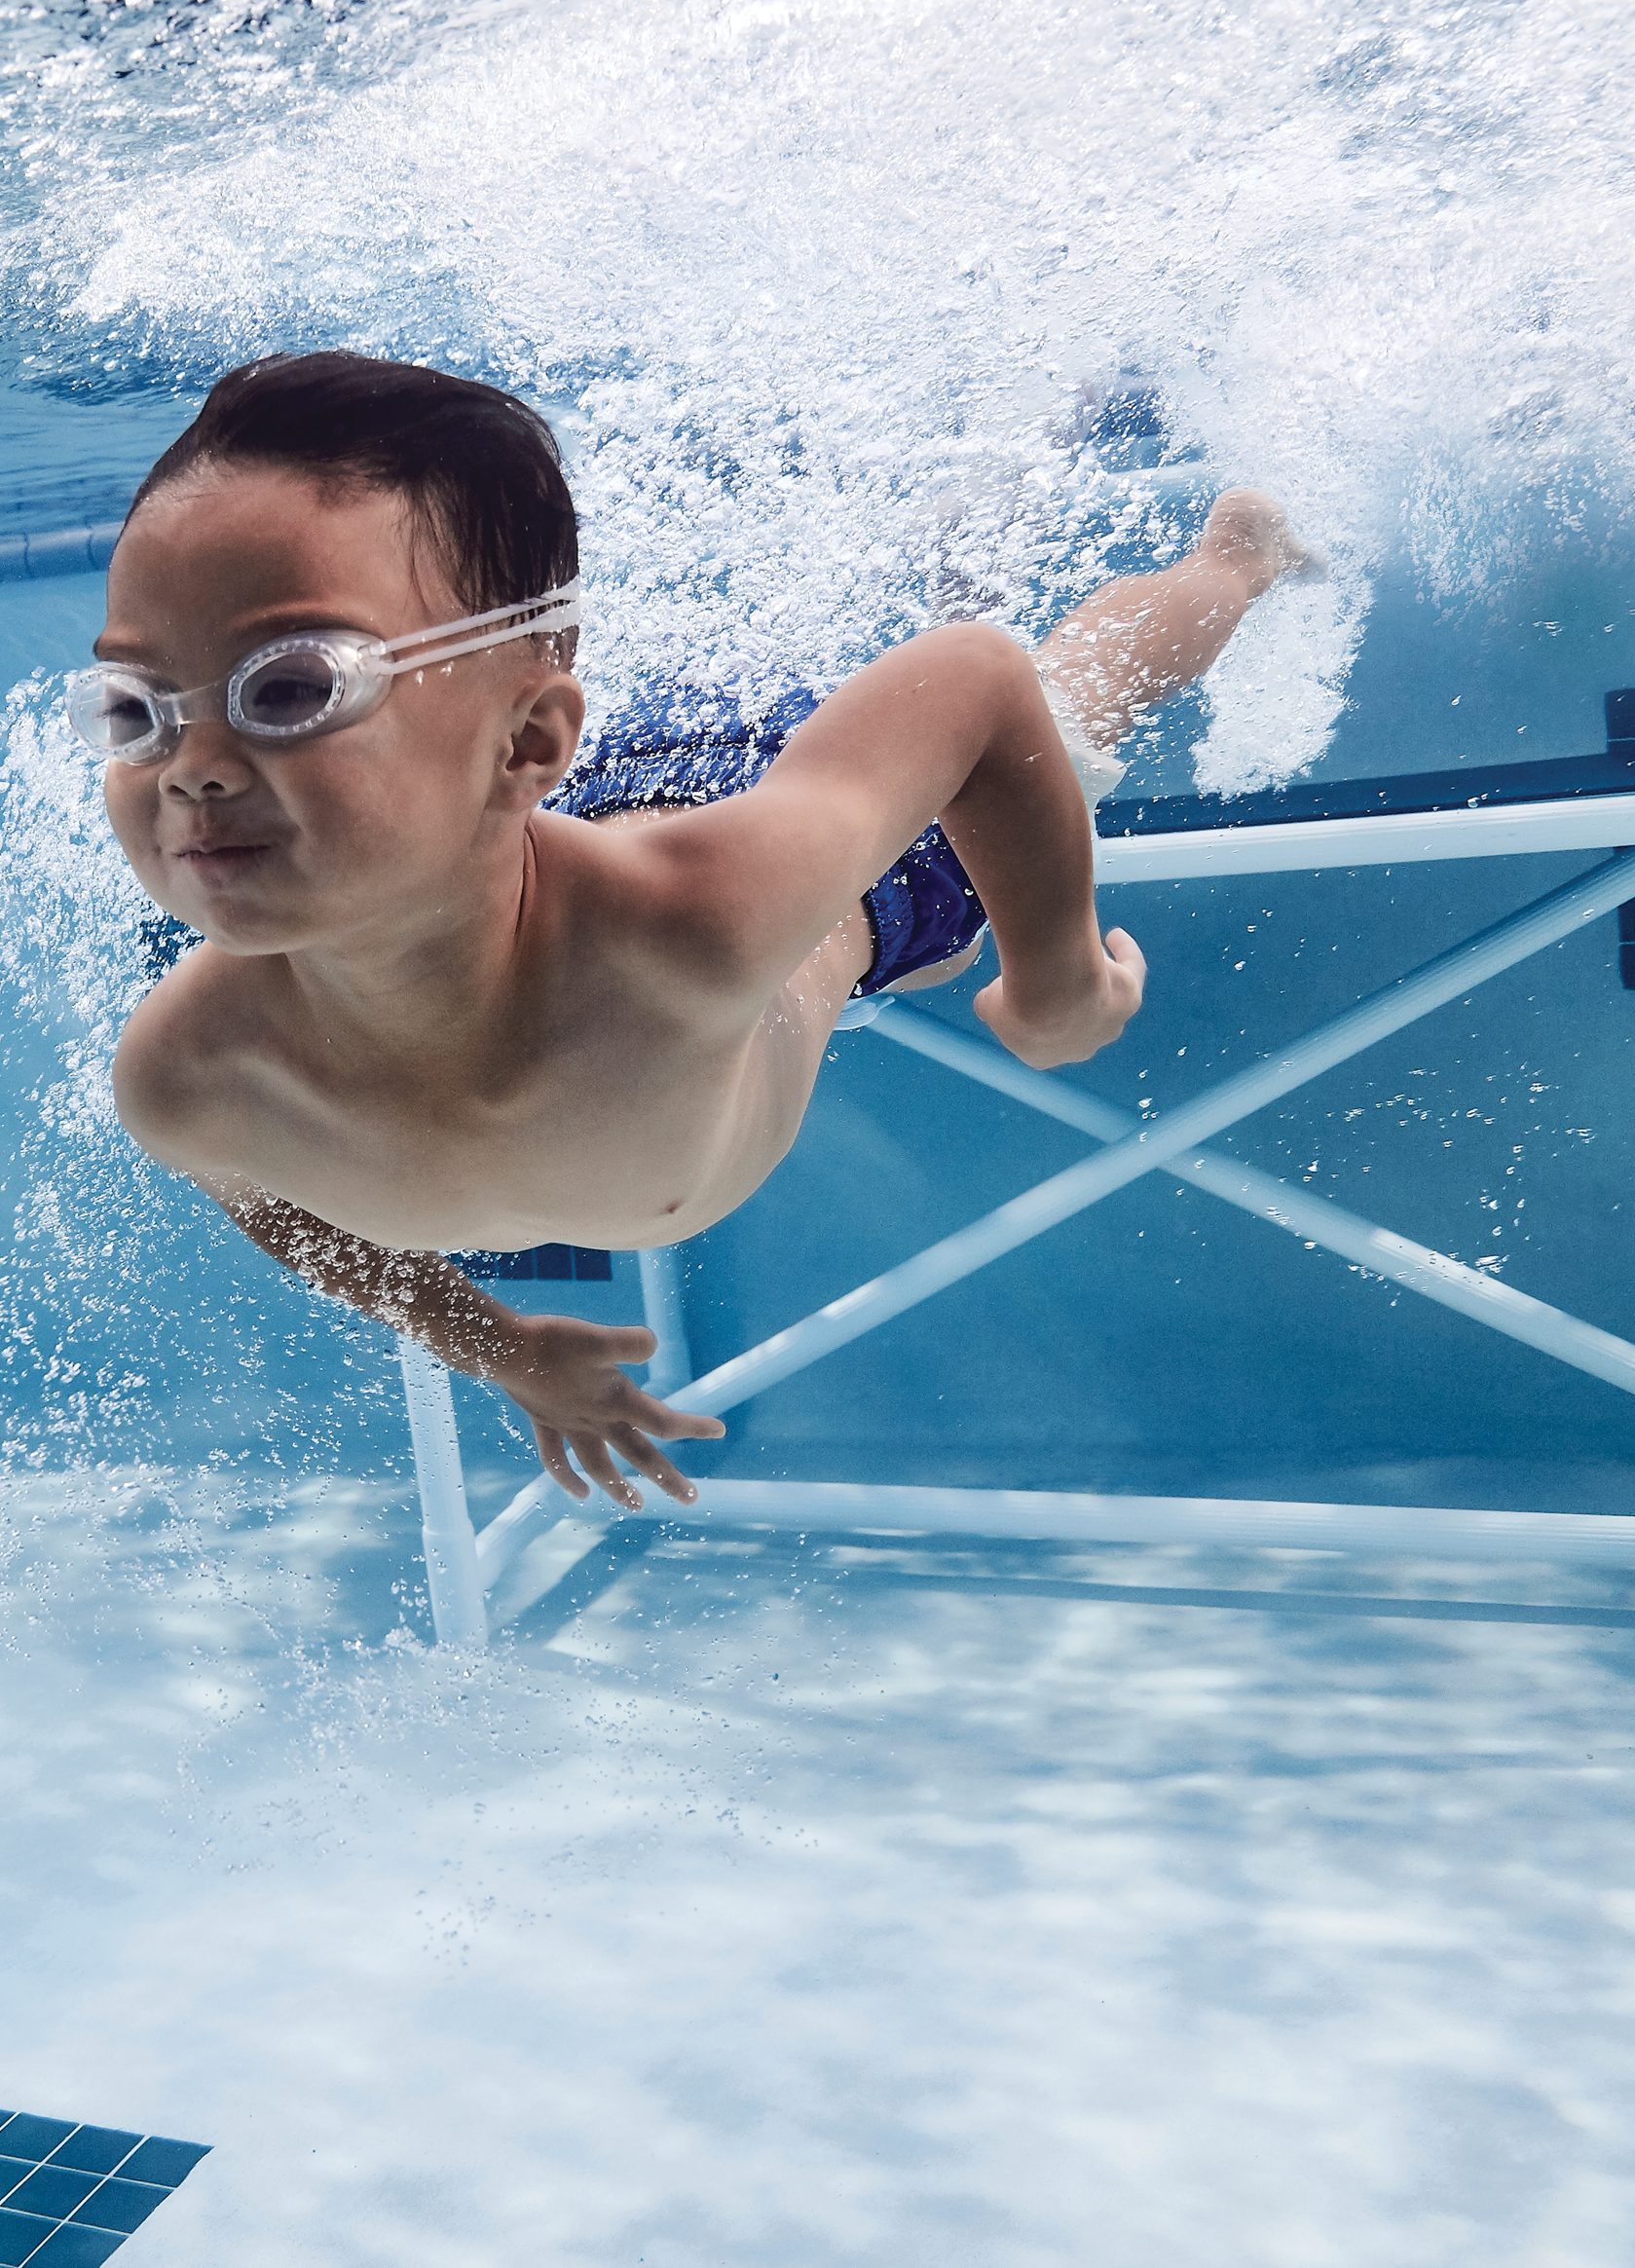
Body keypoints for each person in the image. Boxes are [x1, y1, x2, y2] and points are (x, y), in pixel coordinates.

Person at [85, 353, 1318, 1511]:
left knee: (1068, 697)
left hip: (770, 859)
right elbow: (274, 1209)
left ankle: (1238, 556)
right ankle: (966, 526)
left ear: (523, 743)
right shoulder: (187, 1080)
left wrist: (1053, 978)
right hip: (583, 801)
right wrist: (502, 1352)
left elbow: (976, 682)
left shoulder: (694, 931)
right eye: (134, 707)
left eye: (290, 689)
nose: (188, 770)